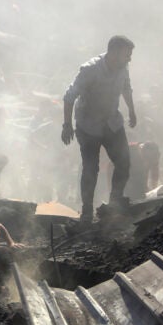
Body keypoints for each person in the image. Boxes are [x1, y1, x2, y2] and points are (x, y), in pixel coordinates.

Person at [62, 36, 137, 221]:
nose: (129, 59)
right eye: (126, 55)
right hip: (88, 126)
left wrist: (132, 111)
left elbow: (126, 88)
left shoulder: (122, 67)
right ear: (113, 53)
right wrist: (67, 125)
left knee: (124, 163)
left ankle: (114, 203)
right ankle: (87, 210)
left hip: (112, 122)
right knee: (90, 168)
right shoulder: (90, 70)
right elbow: (69, 97)